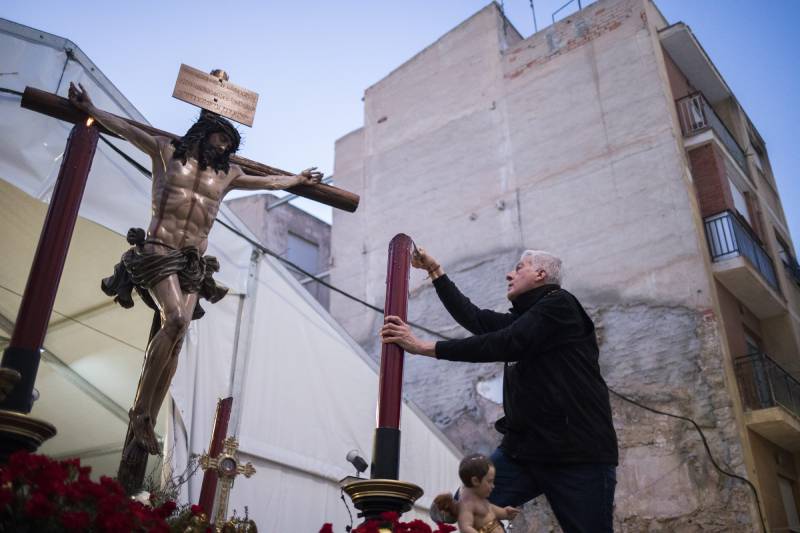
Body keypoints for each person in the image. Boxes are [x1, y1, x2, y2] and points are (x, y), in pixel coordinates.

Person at [69, 82, 322, 456]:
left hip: (192, 262)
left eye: (228, 145)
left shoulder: (227, 174)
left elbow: (269, 180)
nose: (223, 148)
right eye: (219, 139)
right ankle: (139, 411)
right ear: (203, 134)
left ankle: (149, 418)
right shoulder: (167, 150)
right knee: (173, 320)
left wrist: (296, 181)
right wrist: (91, 108)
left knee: (180, 335)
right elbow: (126, 130)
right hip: (158, 249)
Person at [380, 248, 618, 532]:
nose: (509, 274)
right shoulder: (525, 321)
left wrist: (424, 347)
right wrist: (436, 272)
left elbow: (506, 342)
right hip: (525, 450)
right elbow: (475, 318)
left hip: (578, 454)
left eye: (519, 267)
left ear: (541, 275)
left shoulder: (560, 305)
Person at [433, 454, 519, 533]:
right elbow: (466, 528)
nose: (493, 486)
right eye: (489, 481)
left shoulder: (481, 500)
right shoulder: (466, 505)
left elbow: (492, 510)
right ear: (475, 481)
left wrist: (505, 513)